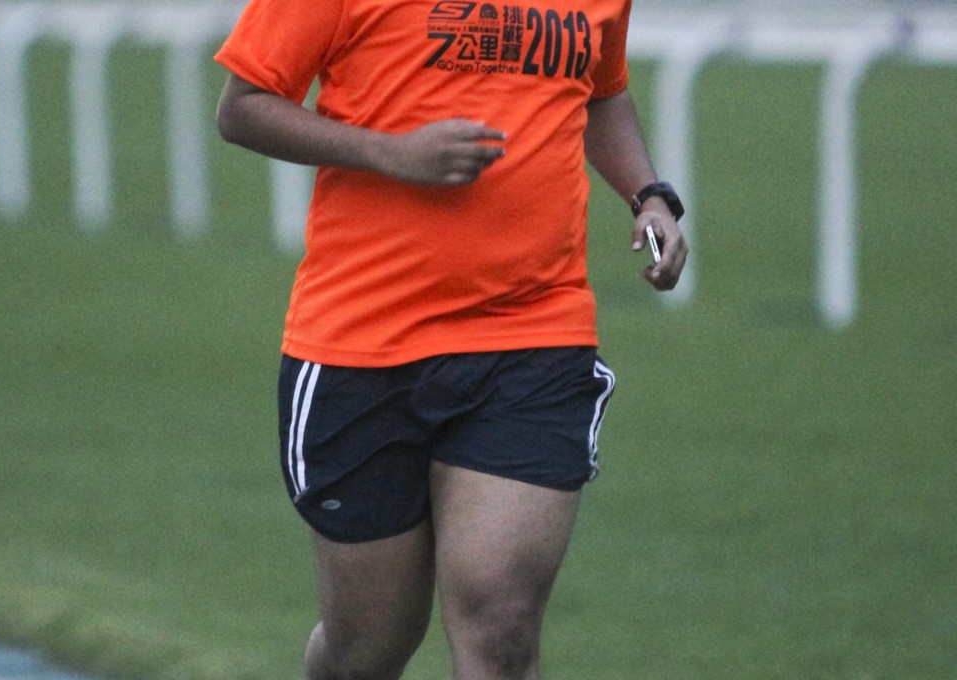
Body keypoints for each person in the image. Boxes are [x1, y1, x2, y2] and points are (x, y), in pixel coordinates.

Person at [214, 0, 687, 677]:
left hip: (534, 334)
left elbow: (600, 90)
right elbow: (243, 107)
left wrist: (649, 195)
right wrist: (389, 151)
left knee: (503, 634)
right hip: (362, 343)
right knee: (368, 650)